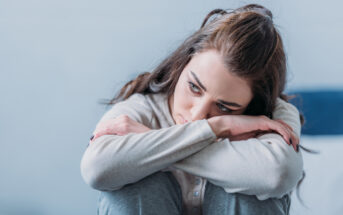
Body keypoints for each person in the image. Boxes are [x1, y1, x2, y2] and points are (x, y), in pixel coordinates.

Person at [81, 4, 303, 215]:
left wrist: (150, 141)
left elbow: (278, 175)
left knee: (253, 189)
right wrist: (219, 126)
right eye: (194, 87)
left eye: (224, 107)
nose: (198, 116)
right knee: (133, 182)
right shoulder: (141, 108)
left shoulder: (273, 116)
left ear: (253, 105)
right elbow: (96, 169)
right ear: (183, 64)